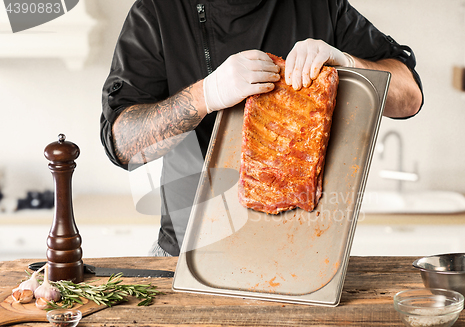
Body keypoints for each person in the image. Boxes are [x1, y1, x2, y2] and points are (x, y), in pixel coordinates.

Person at [100, 0, 423, 257]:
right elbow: (123, 144)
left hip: (305, 252)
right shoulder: (158, 11)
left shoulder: (320, 6)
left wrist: (349, 63)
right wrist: (206, 95)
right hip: (189, 252)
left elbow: (409, 97)